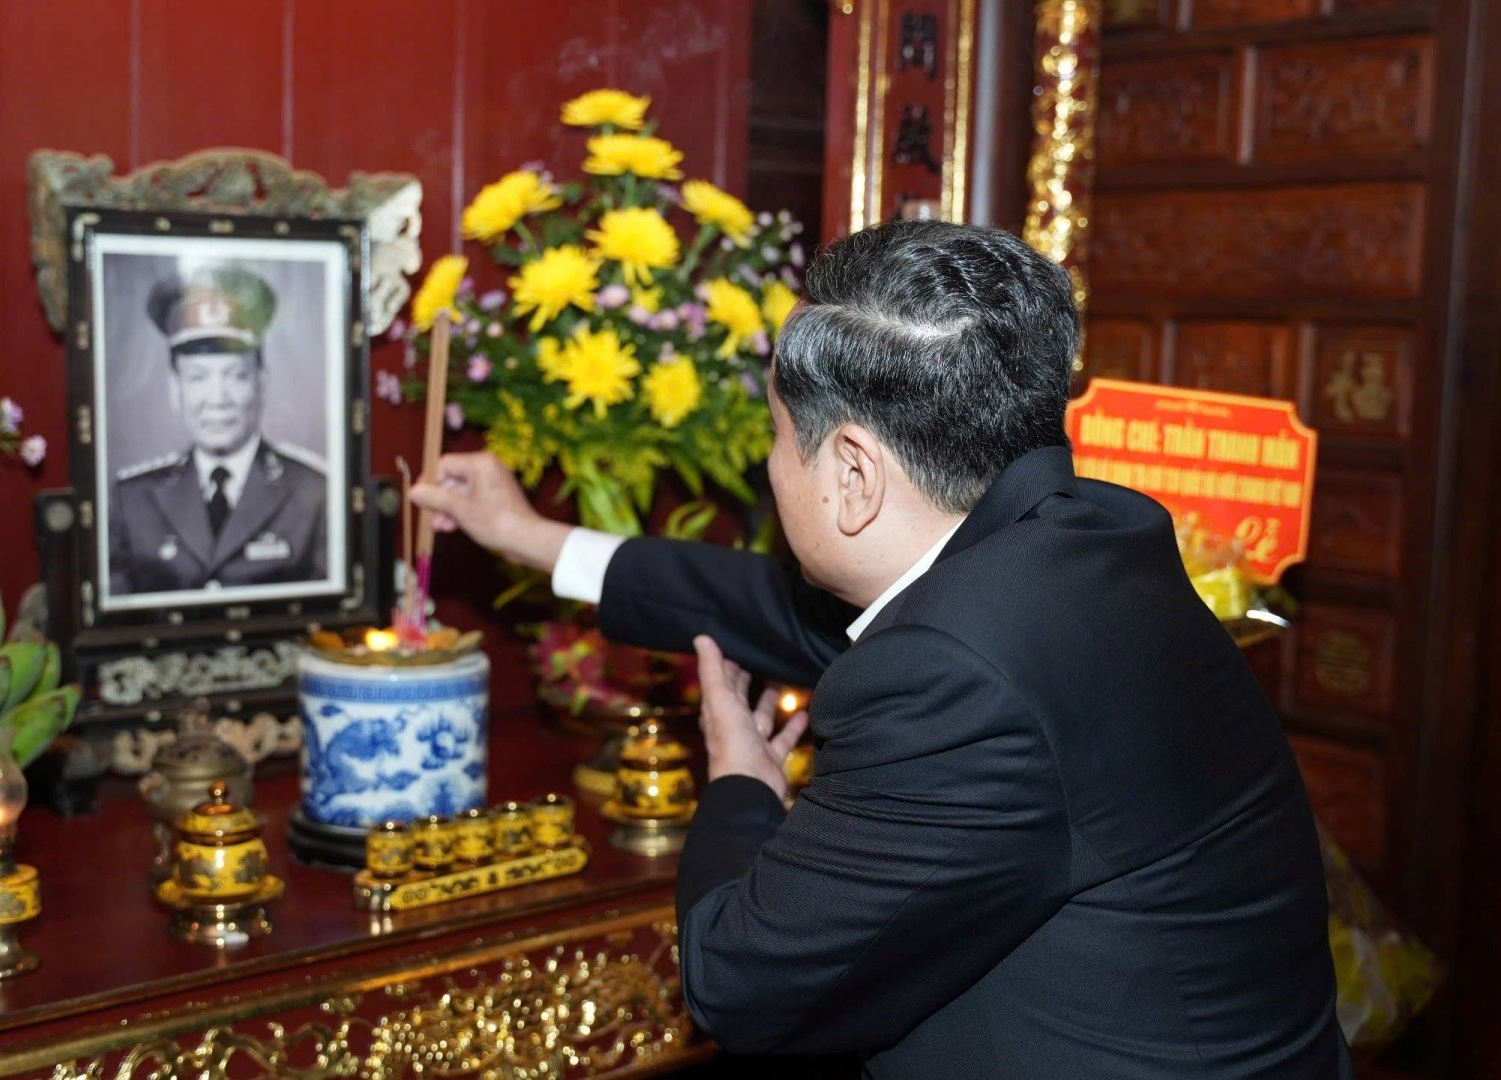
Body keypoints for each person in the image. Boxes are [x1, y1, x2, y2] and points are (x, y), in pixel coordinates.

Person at [413, 220, 1352, 1077]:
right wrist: (534, 539)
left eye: (779, 440)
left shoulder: (957, 680)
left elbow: (739, 984)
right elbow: (788, 612)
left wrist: (739, 783)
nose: (771, 470)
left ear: (854, 472)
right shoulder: (1090, 539)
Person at [108, 264, 329, 597]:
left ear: (262, 383)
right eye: (198, 377)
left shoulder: (313, 492)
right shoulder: (132, 498)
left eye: (235, 376)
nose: (217, 399)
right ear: (175, 388)